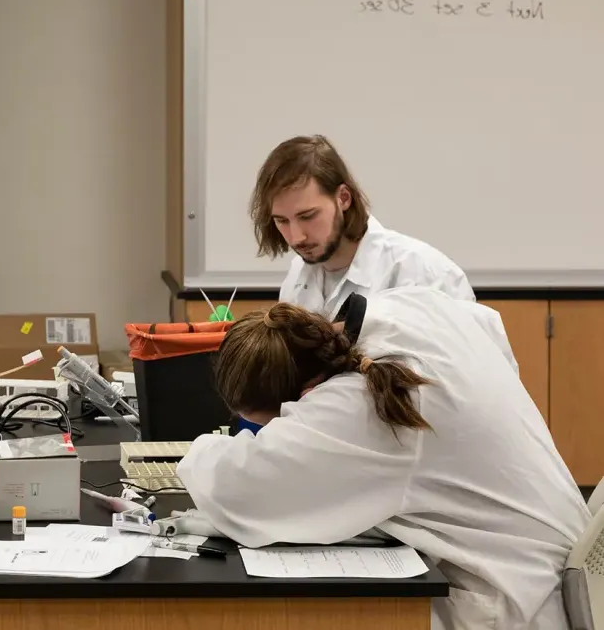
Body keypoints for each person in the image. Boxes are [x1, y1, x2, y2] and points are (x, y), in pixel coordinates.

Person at [177, 288, 587, 630]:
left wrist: (201, 449)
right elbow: (490, 330)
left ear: (303, 396)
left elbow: (236, 488)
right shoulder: (409, 307)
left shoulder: (365, 407)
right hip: (550, 557)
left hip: (517, 603)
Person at [251, 134, 473, 320]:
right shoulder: (296, 279)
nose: (296, 237)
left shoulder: (425, 274)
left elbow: (477, 366)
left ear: (344, 198)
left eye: (308, 216)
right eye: (282, 221)